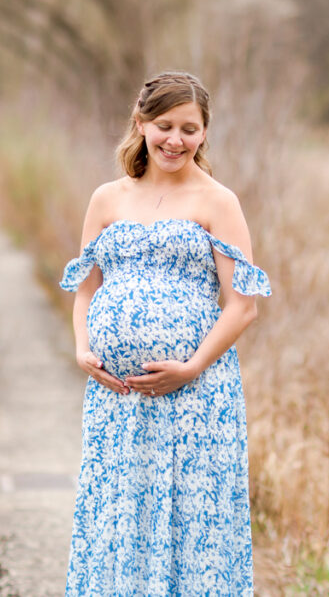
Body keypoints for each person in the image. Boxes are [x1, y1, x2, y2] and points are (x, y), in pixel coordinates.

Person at [58, 71, 270, 596]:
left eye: (190, 128)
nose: (176, 139)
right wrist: (83, 348)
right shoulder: (106, 199)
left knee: (191, 521)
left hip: (195, 396)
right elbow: (86, 290)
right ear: (141, 123)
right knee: (118, 517)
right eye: (165, 125)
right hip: (117, 398)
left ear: (204, 134)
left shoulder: (218, 202)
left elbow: (242, 306)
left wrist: (191, 367)